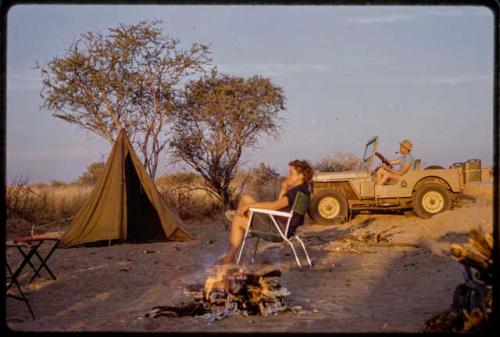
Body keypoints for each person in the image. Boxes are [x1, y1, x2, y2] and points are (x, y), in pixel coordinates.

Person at [221, 159, 314, 267]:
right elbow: (279, 207)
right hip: (283, 226)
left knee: (238, 219)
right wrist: (284, 189)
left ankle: (229, 259)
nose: (288, 176)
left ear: (301, 176)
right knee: (246, 197)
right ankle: (239, 216)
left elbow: (274, 206)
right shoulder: (303, 190)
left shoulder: (295, 192)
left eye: (291, 173)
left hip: (277, 230)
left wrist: (249, 206)